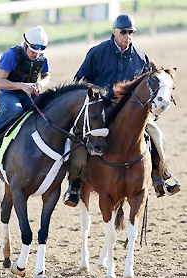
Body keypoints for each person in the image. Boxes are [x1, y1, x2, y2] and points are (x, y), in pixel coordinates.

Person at [64, 14, 180, 207]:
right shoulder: (97, 52)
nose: (127, 36)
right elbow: (80, 80)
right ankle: (74, 185)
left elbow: (149, 84)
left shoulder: (141, 57)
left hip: (130, 112)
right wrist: (95, 98)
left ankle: (161, 176)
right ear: (114, 31)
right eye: (123, 32)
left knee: (155, 133)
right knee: (78, 136)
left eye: (130, 33)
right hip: (101, 109)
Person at [0, 25, 50, 144]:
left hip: (29, 95)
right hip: (8, 95)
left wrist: (41, 84)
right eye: (33, 51)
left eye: (39, 52)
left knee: (48, 109)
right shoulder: (11, 55)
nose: (36, 55)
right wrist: (22, 86)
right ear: (25, 44)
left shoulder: (42, 59)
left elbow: (46, 76)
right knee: (15, 110)